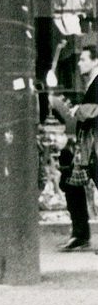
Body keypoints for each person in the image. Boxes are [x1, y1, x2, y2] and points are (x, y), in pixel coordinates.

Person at [52, 44, 98, 251]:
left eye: (83, 59)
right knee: (71, 184)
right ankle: (79, 234)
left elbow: (93, 110)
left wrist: (80, 110)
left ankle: (80, 234)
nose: (79, 63)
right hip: (86, 145)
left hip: (93, 145)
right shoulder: (90, 82)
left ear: (95, 60)